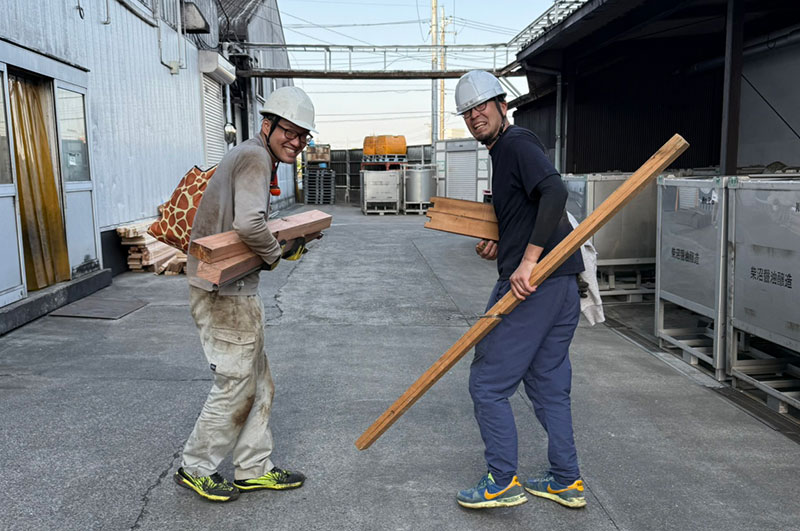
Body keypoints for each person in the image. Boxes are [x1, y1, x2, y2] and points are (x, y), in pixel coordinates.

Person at [453, 70, 587, 510]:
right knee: (548, 384)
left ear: (501, 106)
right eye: (468, 113)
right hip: (563, 282)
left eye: (482, 108)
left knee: (488, 383)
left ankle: (501, 482)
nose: (475, 117)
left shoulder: (515, 143)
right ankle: (567, 480)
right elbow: (528, 206)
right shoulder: (505, 150)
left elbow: (554, 193)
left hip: (539, 284)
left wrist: (527, 261)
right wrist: (504, 242)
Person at [176, 86, 315, 502]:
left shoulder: (253, 155)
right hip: (223, 291)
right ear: (267, 125)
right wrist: (275, 255)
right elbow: (250, 224)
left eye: (303, 135)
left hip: (232, 286)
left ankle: (253, 467)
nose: (296, 141)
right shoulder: (255, 157)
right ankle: (195, 467)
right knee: (236, 382)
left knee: (258, 382)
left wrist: (282, 245)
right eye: (288, 131)